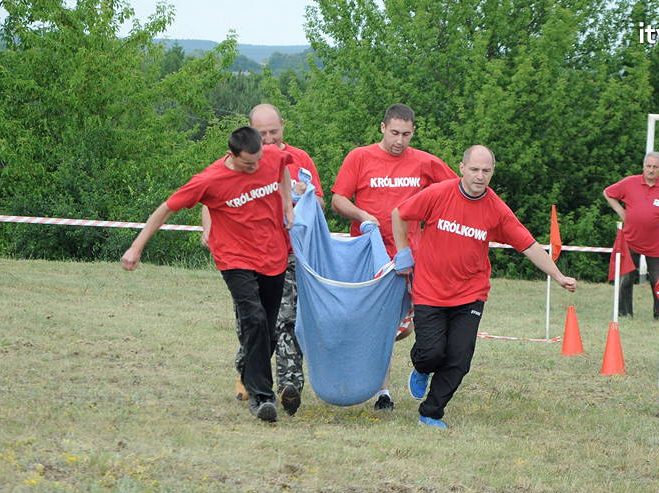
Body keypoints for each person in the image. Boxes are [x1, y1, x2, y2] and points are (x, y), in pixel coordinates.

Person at [391, 145, 577, 429]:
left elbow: (528, 245)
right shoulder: (438, 194)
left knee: (459, 358)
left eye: (486, 171)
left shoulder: (496, 210)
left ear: (492, 172)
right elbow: (399, 213)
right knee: (432, 353)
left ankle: (431, 412)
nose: (480, 176)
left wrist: (558, 275)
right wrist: (403, 252)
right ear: (462, 168)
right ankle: (421, 367)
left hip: (470, 294)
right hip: (429, 290)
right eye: (475, 169)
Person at [121, 126, 295, 423]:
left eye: (257, 161)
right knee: (252, 318)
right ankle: (262, 397)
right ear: (231, 155)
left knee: (266, 327)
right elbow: (166, 209)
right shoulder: (210, 179)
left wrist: (287, 205)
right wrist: (135, 249)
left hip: (274, 254)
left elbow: (283, 169)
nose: (254, 168)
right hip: (234, 257)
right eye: (247, 164)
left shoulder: (271, 157)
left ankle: (247, 370)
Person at [331, 103, 457, 411]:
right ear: (382, 128)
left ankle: (415, 365)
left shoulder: (425, 162)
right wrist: (362, 215)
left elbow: (455, 192)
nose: (400, 141)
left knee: (405, 328)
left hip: (408, 257)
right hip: (369, 254)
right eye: (395, 133)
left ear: (414, 132)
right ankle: (382, 392)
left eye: (407, 134)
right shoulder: (360, 157)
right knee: (376, 323)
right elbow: (337, 199)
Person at [202, 103, 324, 416]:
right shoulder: (242, 159)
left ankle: (289, 385)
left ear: (283, 126)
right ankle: (247, 370)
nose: (268, 139)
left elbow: (320, 201)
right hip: (247, 256)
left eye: (274, 131)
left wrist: (301, 199)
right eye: (262, 133)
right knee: (253, 322)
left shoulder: (300, 159)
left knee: (287, 320)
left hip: (290, 253)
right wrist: (208, 230)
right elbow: (211, 196)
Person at [603, 151, 659, 319]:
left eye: (655, 167)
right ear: (643, 166)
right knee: (625, 279)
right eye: (648, 166)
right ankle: (624, 314)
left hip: (656, 243)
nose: (651, 170)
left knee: (658, 280)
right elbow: (608, 192)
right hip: (630, 240)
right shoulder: (629, 183)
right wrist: (620, 211)